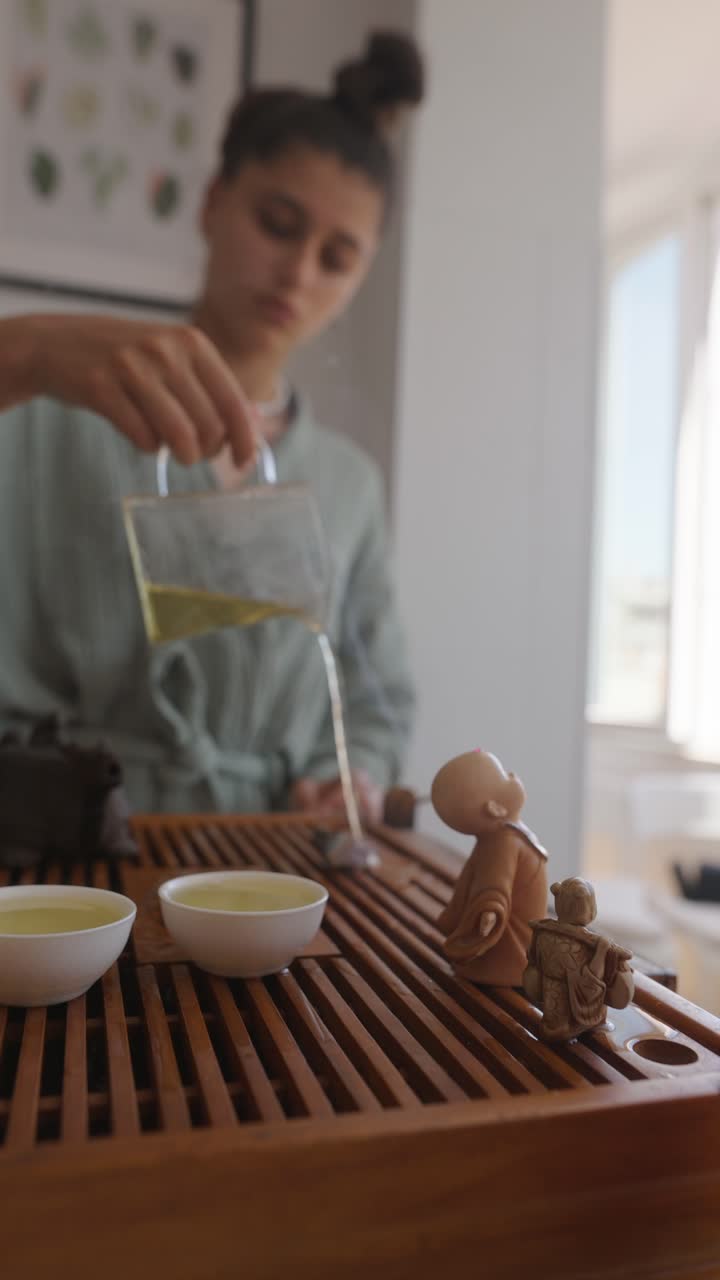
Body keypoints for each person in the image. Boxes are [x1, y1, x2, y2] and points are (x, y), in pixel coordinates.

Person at [0, 32, 423, 821]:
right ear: (212, 203)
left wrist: (349, 777)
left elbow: (377, 698)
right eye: (278, 223)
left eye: (337, 257)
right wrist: (27, 354)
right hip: (52, 845)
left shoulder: (348, 485)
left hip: (268, 860)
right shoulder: (42, 413)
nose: (298, 272)